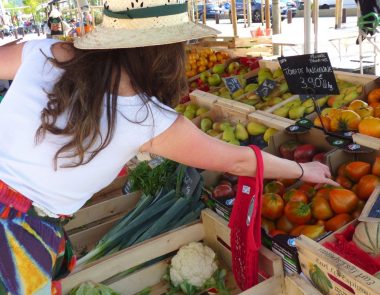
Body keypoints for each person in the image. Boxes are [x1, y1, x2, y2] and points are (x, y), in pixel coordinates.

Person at [0, 0, 337, 293]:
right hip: (16, 242)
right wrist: (303, 170)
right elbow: (239, 162)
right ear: (166, 52)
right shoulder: (147, 118)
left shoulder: (47, 51)